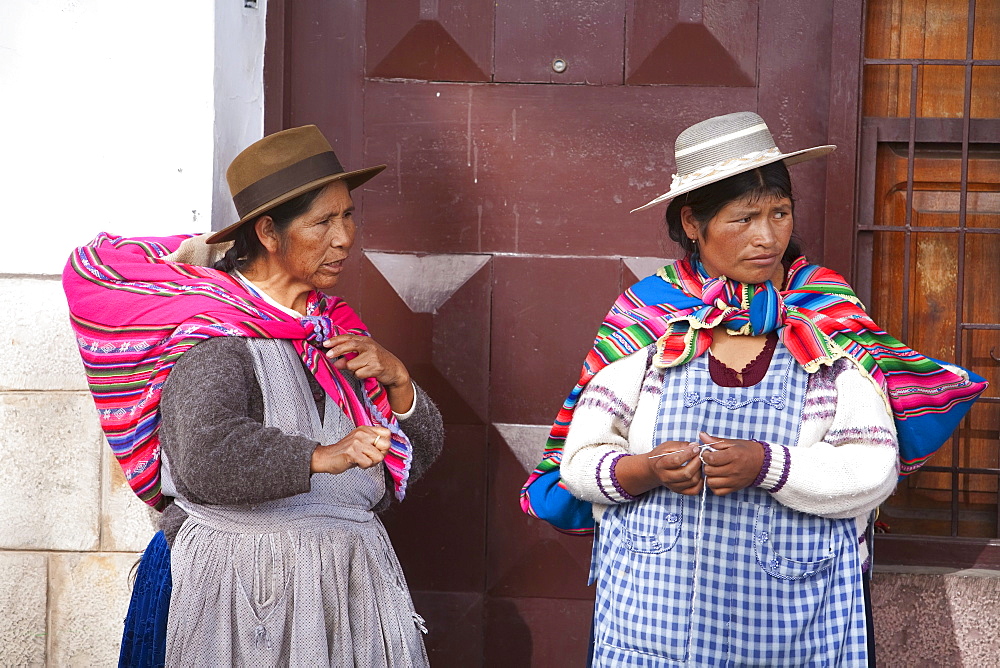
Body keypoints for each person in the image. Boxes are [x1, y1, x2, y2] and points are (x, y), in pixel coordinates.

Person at [519, 112, 987, 666]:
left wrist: (768, 464)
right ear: (693, 223)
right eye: (744, 219)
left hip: (798, 626)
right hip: (651, 628)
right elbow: (580, 459)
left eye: (780, 213)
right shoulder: (648, 321)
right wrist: (641, 469)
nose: (768, 238)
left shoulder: (825, 319)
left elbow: (872, 471)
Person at [64, 125, 443, 666]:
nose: (345, 238)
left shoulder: (331, 329)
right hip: (246, 598)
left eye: (348, 215)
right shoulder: (215, 333)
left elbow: (410, 458)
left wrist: (399, 380)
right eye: (323, 222)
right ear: (268, 232)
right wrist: (321, 456)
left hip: (348, 595)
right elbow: (204, 456)